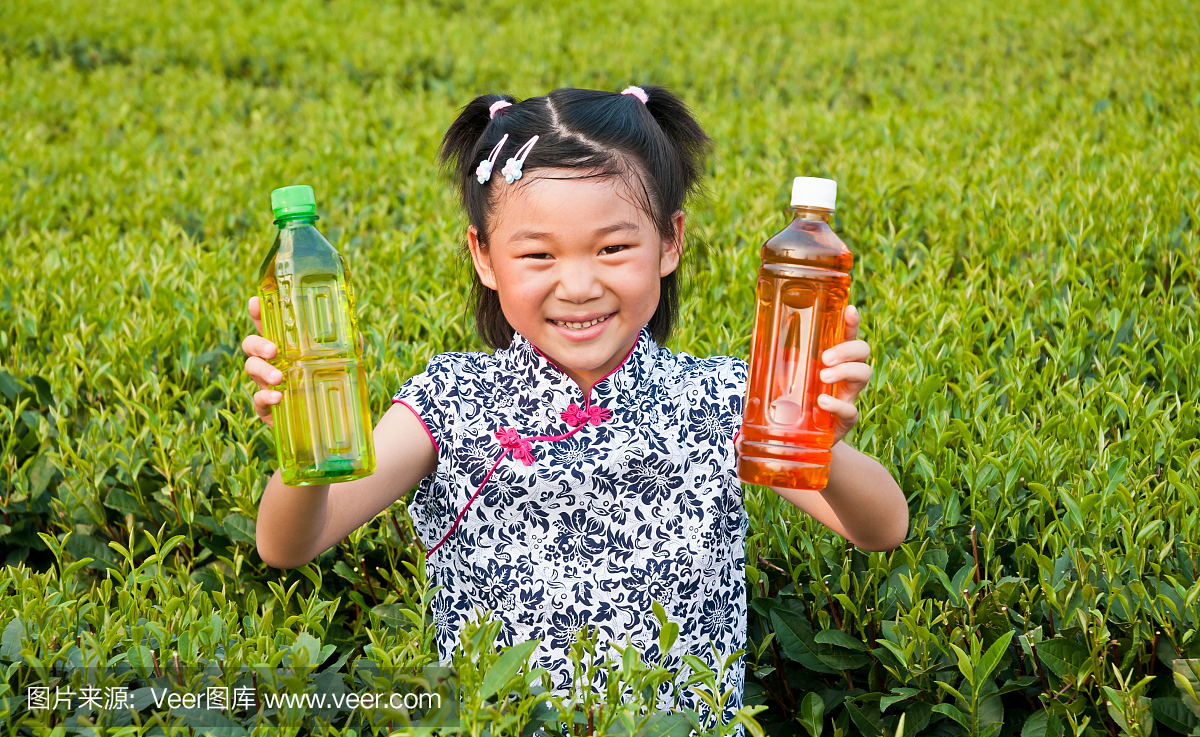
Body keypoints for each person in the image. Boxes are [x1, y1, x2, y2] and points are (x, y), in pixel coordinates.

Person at [242, 85, 908, 729]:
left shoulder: (723, 401)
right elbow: (288, 542)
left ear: (670, 242)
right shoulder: (448, 402)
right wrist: (303, 443)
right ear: (484, 257)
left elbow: (881, 527)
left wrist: (819, 441)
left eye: (614, 247)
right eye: (538, 254)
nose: (580, 284)